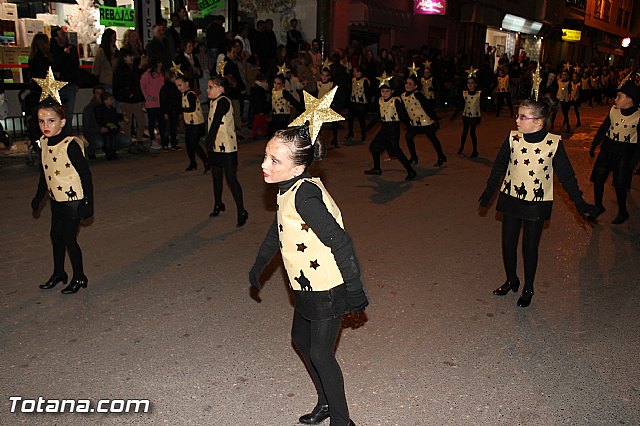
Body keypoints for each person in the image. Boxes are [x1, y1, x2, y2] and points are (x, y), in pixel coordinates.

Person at [249, 124, 367, 426]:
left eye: (275, 160)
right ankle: (326, 403)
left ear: (297, 166)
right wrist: (259, 266)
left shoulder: (305, 197)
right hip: (305, 285)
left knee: (321, 354)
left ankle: (342, 421)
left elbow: (340, 241)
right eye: (266, 156)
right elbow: (278, 229)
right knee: (300, 339)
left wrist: (355, 293)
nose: (264, 164)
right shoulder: (289, 188)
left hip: (326, 286)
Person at [479, 95, 594, 308]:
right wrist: (488, 192)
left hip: (537, 203)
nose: (517, 120)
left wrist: (579, 203)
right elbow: (499, 166)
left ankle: (528, 287)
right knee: (508, 244)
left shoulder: (553, 144)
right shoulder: (513, 138)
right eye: (518, 115)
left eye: (523, 117)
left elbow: (567, 177)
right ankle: (511, 279)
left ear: (538, 122)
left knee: (529, 248)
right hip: (511, 197)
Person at [31, 97, 93, 294]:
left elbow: (85, 175)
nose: (45, 125)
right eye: (41, 121)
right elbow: (45, 173)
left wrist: (87, 203)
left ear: (62, 122)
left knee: (68, 238)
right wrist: (39, 196)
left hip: (73, 201)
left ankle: (79, 276)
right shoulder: (44, 143)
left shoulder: (70, 145)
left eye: (51, 121)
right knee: (55, 237)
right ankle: (59, 273)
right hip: (56, 200)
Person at [589, 78, 640, 224]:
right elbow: (604, 128)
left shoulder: (638, 117)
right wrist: (594, 145)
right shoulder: (613, 111)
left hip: (624, 153)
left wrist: (634, 162)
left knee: (619, 184)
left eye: (619, 96)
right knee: (598, 178)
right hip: (607, 149)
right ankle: (598, 206)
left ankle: (623, 211)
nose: (615, 99)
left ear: (629, 99)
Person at [203, 75, 247, 226]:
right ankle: (218, 204)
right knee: (216, 177)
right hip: (215, 146)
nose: (207, 90)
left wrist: (208, 141)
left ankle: (241, 210)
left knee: (231, 179)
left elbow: (215, 123)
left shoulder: (223, 101)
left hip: (227, 147)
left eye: (210, 87)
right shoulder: (213, 102)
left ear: (220, 88)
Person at [364, 77, 416, 180]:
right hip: (384, 128)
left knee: (397, 151)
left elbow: (402, 115)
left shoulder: (395, 101)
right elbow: (377, 116)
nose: (384, 93)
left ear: (392, 91)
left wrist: (410, 125)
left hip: (393, 129)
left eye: (387, 91)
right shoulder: (380, 101)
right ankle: (377, 168)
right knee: (374, 148)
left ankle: (411, 171)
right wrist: (368, 127)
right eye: (382, 91)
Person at [400, 75, 446, 166]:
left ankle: (441, 156)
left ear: (415, 86)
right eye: (406, 83)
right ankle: (414, 156)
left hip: (425, 122)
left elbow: (427, 107)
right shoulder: (403, 96)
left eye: (410, 84)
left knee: (433, 138)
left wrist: (435, 119)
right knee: (408, 137)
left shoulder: (418, 94)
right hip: (414, 123)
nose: (407, 85)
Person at [113, 48, 147, 153]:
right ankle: (130, 143)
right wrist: (126, 94)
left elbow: (137, 85)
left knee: (141, 122)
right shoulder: (120, 70)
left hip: (135, 99)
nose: (132, 58)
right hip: (126, 100)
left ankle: (139, 141)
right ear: (124, 58)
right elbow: (118, 86)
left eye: (132, 56)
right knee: (128, 123)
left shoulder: (133, 69)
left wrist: (141, 98)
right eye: (129, 56)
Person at [50, 27, 80, 134]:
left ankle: (67, 135)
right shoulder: (53, 50)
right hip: (57, 85)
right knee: (56, 112)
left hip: (70, 83)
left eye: (64, 34)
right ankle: (57, 134)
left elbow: (76, 66)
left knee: (68, 113)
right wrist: (64, 54)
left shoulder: (72, 49)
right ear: (56, 38)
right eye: (61, 35)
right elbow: (55, 66)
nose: (65, 36)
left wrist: (77, 82)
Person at [176, 74, 209, 172]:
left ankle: (206, 161)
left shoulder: (190, 94)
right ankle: (193, 163)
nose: (178, 88)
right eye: (177, 85)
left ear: (186, 84)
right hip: (190, 123)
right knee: (189, 144)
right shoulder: (184, 94)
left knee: (194, 144)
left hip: (196, 124)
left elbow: (192, 108)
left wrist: (180, 109)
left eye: (180, 85)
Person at [94, 92, 131, 160]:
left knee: (112, 140)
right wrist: (106, 124)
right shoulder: (100, 109)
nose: (112, 101)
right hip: (106, 128)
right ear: (105, 100)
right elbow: (100, 119)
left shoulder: (112, 108)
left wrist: (122, 116)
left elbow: (115, 117)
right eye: (110, 99)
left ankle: (112, 153)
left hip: (112, 128)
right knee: (108, 140)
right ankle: (109, 154)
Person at [140, 58, 165, 148]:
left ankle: (163, 139)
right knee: (152, 122)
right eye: (158, 63)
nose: (160, 65)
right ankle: (152, 140)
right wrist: (147, 97)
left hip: (160, 102)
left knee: (161, 122)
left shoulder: (161, 75)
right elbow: (142, 86)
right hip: (151, 103)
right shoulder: (147, 75)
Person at [454, 76, 482, 157]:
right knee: (465, 132)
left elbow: (484, 103)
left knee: (472, 132)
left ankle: (475, 151)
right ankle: (461, 147)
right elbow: (460, 105)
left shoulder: (478, 94)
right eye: (468, 83)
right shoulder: (465, 94)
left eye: (472, 83)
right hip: (466, 115)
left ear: (475, 84)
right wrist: (454, 115)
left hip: (474, 116)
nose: (470, 85)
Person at [160, 71, 182, 150]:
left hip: (175, 110)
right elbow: (163, 101)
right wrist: (165, 112)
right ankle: (165, 144)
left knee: (174, 128)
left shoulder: (175, 87)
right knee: (167, 128)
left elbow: (179, 100)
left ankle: (173, 144)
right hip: (169, 111)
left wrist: (179, 111)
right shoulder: (165, 88)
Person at [346, 66, 369, 142]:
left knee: (361, 120)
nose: (353, 73)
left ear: (359, 72)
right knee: (350, 118)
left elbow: (367, 92)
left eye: (355, 71)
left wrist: (367, 103)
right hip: (353, 102)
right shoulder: (353, 80)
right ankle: (350, 132)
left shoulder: (364, 81)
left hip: (361, 103)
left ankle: (363, 135)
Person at [92, 28, 119, 94]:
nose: (115, 39)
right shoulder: (102, 51)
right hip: (106, 81)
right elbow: (96, 68)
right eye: (113, 37)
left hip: (113, 81)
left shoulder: (116, 51)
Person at [82, 86, 105, 159]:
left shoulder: (107, 106)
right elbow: (86, 127)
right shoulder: (89, 108)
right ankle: (90, 151)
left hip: (106, 131)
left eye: (102, 93)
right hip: (93, 133)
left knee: (125, 140)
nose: (100, 96)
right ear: (94, 94)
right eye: (98, 93)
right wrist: (99, 130)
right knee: (99, 142)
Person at [249, 72, 270, 139]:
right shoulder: (258, 89)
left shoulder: (257, 88)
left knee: (262, 122)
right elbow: (258, 100)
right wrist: (260, 109)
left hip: (259, 109)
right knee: (258, 123)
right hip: (259, 109)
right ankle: (255, 135)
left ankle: (263, 133)